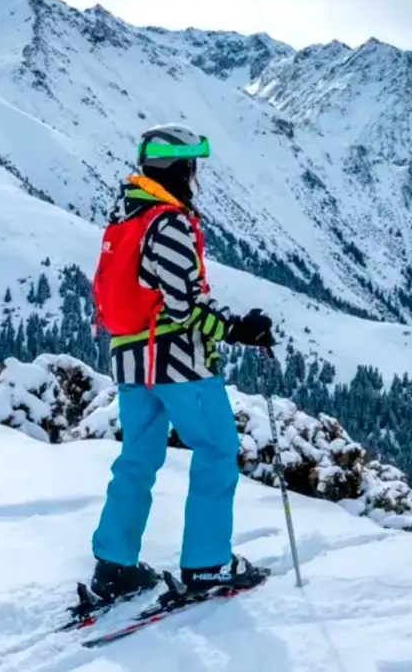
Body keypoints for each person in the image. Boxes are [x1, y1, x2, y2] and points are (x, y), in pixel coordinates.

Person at [85, 123, 275, 606]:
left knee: (138, 459)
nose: (195, 179)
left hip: (131, 363)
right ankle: (207, 564)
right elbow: (183, 305)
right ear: (178, 169)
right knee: (216, 448)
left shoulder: (125, 217)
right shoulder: (167, 223)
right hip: (177, 363)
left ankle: (115, 565)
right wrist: (237, 328)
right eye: (192, 168)